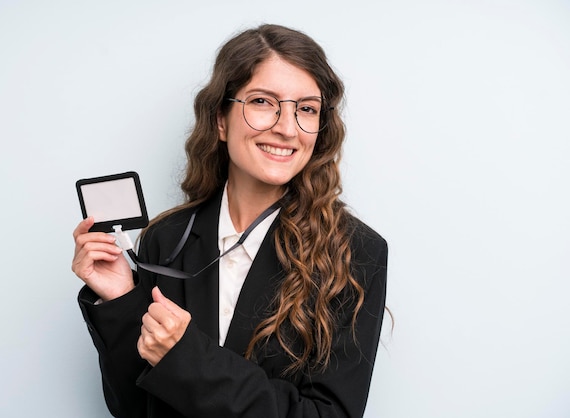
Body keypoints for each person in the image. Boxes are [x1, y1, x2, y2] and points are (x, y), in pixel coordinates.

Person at [72, 23, 388, 418]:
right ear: (221, 119)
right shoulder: (165, 241)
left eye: (306, 108)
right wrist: (120, 299)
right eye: (262, 102)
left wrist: (187, 358)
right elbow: (136, 409)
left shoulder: (356, 252)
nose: (287, 128)